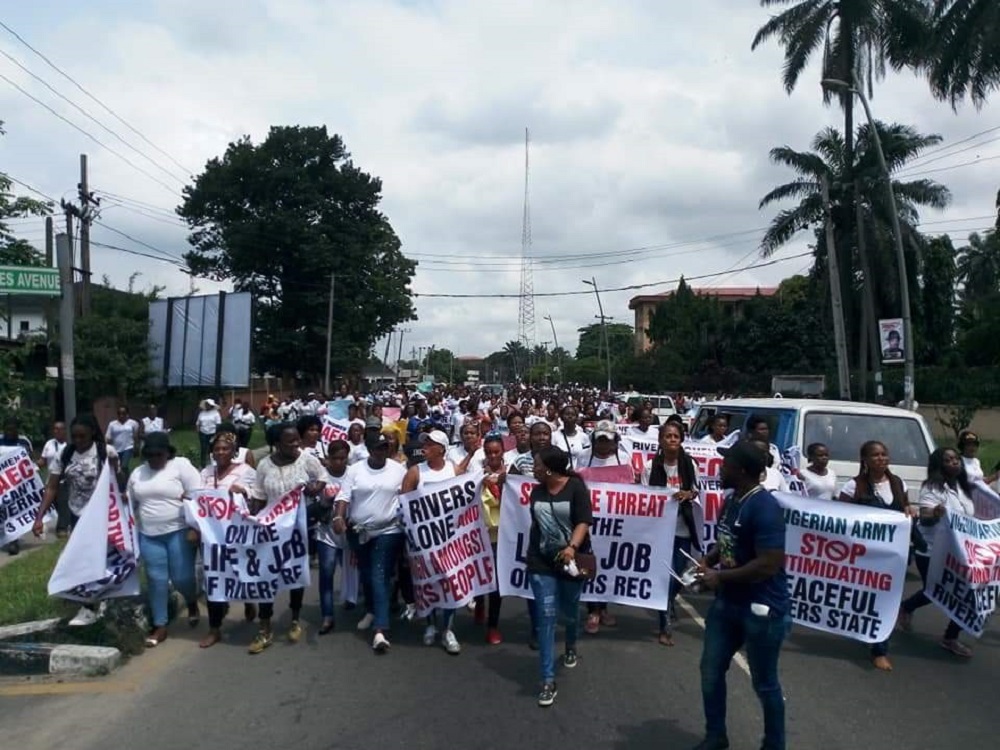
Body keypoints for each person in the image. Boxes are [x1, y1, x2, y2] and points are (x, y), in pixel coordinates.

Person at [695, 441, 789, 750]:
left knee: (764, 683)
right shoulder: (733, 499)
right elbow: (727, 541)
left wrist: (718, 576)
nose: (720, 468)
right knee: (710, 669)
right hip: (728, 604)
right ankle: (716, 736)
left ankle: (774, 745)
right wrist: (709, 560)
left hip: (763, 609)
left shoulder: (765, 508)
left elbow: (768, 564)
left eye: (727, 464)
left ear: (743, 470)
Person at [246, 423, 327, 654]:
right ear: (277, 444)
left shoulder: (306, 460)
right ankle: (264, 627)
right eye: (290, 442)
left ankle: (294, 617)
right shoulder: (264, 466)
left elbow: (322, 477)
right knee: (266, 576)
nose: (296, 445)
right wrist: (247, 514)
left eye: (297, 440)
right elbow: (259, 497)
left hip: (297, 528)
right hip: (271, 529)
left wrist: (314, 488)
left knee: (294, 572)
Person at [34, 415, 120, 624]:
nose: (79, 441)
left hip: (102, 515)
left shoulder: (105, 452)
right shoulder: (65, 454)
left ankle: (102, 601)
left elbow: (117, 481)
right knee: (81, 559)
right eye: (75, 437)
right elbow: (52, 487)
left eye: (83, 436)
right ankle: (88, 603)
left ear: (92, 432)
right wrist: (39, 517)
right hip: (77, 514)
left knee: (101, 557)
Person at [526, 445, 592, 707]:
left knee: (570, 612)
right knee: (547, 615)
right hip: (541, 563)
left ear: (550, 469)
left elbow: (583, 522)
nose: (534, 469)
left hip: (571, 563)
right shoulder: (536, 491)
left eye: (537, 465)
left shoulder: (576, 488)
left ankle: (571, 643)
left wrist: (571, 548)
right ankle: (547, 679)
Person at [838, 440, 913, 672]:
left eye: (884, 454)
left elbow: (905, 509)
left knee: (887, 600)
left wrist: (910, 512)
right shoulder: (854, 486)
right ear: (865, 460)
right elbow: (840, 518)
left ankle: (879, 648)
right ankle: (871, 637)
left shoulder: (899, 484)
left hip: (894, 556)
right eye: (875, 455)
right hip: (865, 556)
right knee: (867, 599)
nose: (881, 458)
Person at [333, 432, 408, 653]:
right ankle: (372, 609)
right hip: (359, 532)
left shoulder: (398, 470)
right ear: (369, 449)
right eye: (377, 447)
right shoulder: (355, 470)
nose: (381, 451)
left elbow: (407, 496)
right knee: (367, 573)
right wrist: (339, 517)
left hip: (389, 530)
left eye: (385, 447)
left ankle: (380, 630)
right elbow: (343, 497)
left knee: (378, 573)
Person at [127, 432, 202, 647]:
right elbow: (130, 503)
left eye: (158, 455)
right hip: (149, 535)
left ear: (168, 452)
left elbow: (197, 496)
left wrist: (195, 528)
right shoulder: (138, 473)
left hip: (178, 531)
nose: (154, 459)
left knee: (181, 577)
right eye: (149, 455)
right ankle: (160, 625)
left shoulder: (181, 466)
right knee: (156, 579)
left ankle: (191, 601)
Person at [899, 448, 975, 658]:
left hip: (959, 551)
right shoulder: (932, 488)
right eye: (948, 460)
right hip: (933, 550)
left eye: (956, 459)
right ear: (939, 465)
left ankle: (950, 637)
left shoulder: (963, 488)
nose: (954, 462)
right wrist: (936, 513)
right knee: (936, 592)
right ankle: (907, 607)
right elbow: (925, 518)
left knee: (967, 593)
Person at [402, 429, 463, 655]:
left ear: (442, 449)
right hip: (423, 541)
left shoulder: (454, 470)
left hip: (449, 540)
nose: (425, 446)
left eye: (430, 443)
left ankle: (448, 629)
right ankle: (429, 625)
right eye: (424, 443)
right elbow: (404, 504)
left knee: (449, 584)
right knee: (426, 584)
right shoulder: (416, 472)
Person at [643, 420, 703, 646]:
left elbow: (697, 491)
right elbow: (645, 497)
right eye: (667, 436)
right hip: (659, 531)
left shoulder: (690, 465)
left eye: (675, 436)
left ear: (681, 440)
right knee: (663, 577)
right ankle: (664, 622)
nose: (672, 440)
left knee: (680, 575)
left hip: (683, 528)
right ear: (660, 440)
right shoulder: (651, 467)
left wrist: (688, 494)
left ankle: (667, 601)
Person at [197, 430, 258, 648]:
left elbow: (256, 496)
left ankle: (249, 600)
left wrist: (242, 490)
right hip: (212, 538)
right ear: (212, 452)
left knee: (240, 572)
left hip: (236, 535)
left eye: (225, 448)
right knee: (214, 579)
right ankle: (214, 629)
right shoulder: (205, 472)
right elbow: (198, 497)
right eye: (217, 449)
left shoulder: (246, 471)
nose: (221, 452)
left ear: (233, 451)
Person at [317, 440, 351, 635]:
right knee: (327, 572)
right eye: (334, 458)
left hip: (350, 532)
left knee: (356, 572)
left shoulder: (353, 474)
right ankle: (327, 615)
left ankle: (358, 603)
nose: (338, 462)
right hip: (326, 533)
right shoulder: (322, 476)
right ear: (328, 458)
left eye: (342, 458)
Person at [474, 434, 506, 644]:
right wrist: (479, 481)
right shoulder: (475, 475)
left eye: (496, 452)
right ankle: (479, 602)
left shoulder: (512, 472)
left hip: (502, 536)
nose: (493, 456)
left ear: (503, 451)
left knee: (497, 583)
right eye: (488, 452)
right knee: (478, 576)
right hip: (479, 535)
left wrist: (504, 484)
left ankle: (493, 625)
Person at [38, 421, 70, 539]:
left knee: (62, 503)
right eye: (55, 429)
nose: (57, 431)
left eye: (60, 429)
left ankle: (62, 528)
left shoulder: (69, 446)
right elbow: (43, 460)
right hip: (51, 479)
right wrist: (33, 466)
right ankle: (41, 524)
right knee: (51, 503)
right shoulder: (49, 444)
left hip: (63, 480)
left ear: (65, 431)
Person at [106, 406, 140, 474]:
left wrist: (136, 447)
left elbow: (136, 435)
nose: (121, 415)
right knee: (118, 467)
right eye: (119, 413)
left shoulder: (133, 423)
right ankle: (123, 481)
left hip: (128, 447)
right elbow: (108, 437)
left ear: (127, 414)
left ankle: (126, 481)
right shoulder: (112, 424)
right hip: (116, 449)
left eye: (123, 413)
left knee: (124, 466)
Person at [196, 399, 223, 467]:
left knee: (212, 448)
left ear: (211, 405)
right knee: (203, 448)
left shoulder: (216, 413)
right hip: (203, 433)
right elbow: (198, 423)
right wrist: (198, 431)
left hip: (212, 433)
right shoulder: (202, 413)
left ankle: (213, 463)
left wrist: (217, 434)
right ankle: (203, 464)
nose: (207, 405)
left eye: (208, 404)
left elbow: (218, 424)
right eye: (206, 404)